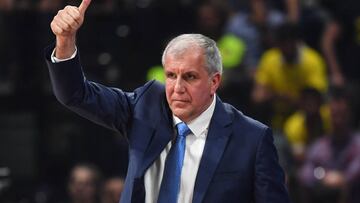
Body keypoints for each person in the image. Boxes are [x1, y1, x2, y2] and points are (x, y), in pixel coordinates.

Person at [45, 0, 290, 202]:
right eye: (171, 75)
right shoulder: (144, 107)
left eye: (190, 77)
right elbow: (76, 95)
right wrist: (65, 41)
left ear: (214, 82)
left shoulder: (251, 138)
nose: (178, 88)